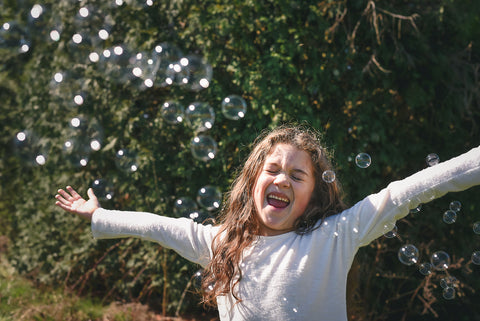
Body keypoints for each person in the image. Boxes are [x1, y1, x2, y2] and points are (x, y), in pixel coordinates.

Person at [55, 124, 480, 321]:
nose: (282, 179)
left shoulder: (336, 235)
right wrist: (100, 215)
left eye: (297, 175)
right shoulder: (220, 242)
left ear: (314, 194)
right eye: (272, 170)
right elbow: (155, 225)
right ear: (252, 181)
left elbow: (415, 188)